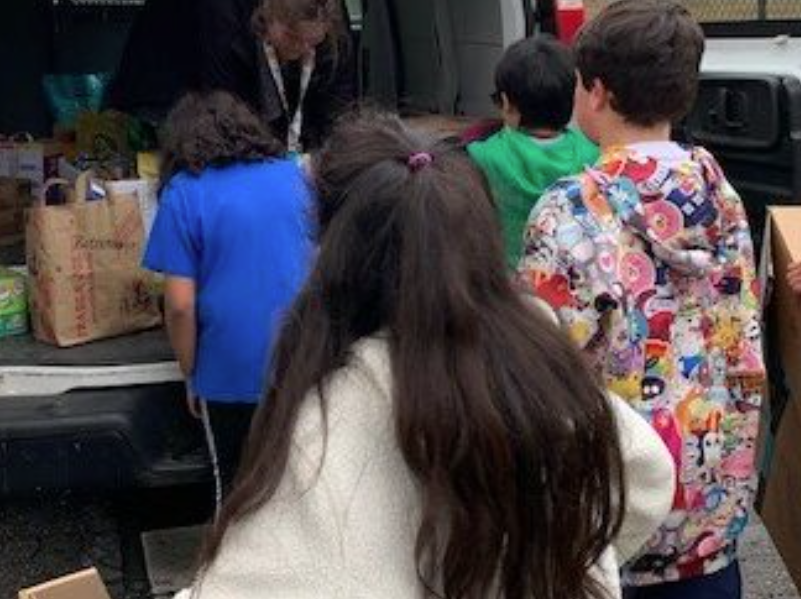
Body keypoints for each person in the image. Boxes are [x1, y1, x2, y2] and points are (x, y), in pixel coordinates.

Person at [187, 111, 675, 599]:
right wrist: (573, 553)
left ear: (330, 245)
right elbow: (648, 473)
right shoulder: (537, 351)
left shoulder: (335, 408)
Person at [520, 0, 765, 598]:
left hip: (615, 516)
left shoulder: (567, 210)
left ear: (596, 92)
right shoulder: (720, 195)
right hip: (711, 514)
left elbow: (541, 363)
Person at [143, 91, 314, 506]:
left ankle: (233, 567)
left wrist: (191, 372)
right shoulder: (296, 175)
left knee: (236, 492)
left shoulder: (184, 193)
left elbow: (180, 305)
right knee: (299, 489)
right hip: (304, 357)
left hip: (229, 368)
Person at [193, 0, 355, 152]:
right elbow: (223, 115)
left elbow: (339, 116)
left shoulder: (329, 21)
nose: (303, 49)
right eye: (292, 37)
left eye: (313, 41)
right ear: (267, 12)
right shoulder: (222, 20)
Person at [468, 34, 599, 264]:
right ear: (573, 99)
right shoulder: (593, 154)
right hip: (569, 276)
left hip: (507, 279)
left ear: (507, 103)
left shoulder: (481, 156)